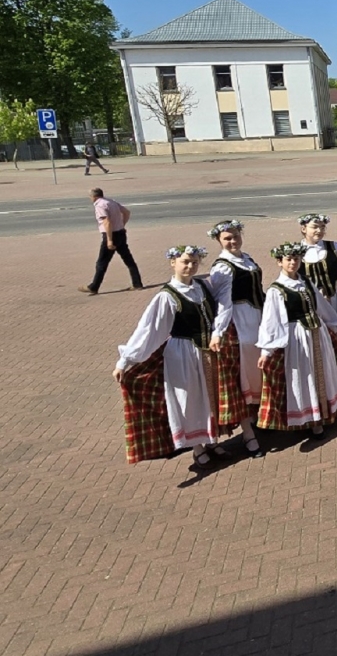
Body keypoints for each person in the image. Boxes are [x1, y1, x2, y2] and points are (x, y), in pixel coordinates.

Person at [114, 245, 225, 473]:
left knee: (208, 396)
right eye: (185, 262)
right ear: (172, 262)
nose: (190, 266)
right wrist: (124, 361)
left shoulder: (201, 287)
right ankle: (197, 448)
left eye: (194, 262)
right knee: (188, 400)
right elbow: (148, 330)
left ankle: (211, 440)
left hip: (204, 353)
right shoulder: (167, 296)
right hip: (181, 354)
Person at [257, 242, 337, 438]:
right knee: (305, 376)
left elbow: (320, 304)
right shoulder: (276, 290)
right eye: (289, 259)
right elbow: (271, 321)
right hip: (297, 338)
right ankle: (312, 420)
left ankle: (326, 410)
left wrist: (332, 324)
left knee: (323, 372)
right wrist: (266, 350)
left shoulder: (305, 281)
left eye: (296, 259)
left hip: (317, 333)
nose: (293, 263)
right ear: (279, 262)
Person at [207, 220, 266, 458]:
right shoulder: (221, 267)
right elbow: (222, 302)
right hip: (239, 323)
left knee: (259, 371)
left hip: (258, 318)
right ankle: (248, 432)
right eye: (227, 239)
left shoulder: (247, 258)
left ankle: (259, 418)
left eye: (235, 236)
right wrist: (218, 332)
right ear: (218, 241)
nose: (233, 241)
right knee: (243, 376)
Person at [297, 213, 337, 395]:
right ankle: (328, 388)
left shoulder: (335, 247)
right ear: (303, 228)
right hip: (313, 306)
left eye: (322, 227)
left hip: (336, 300)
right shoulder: (296, 251)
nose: (319, 231)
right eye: (315, 227)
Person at [80, 188, 144, 295]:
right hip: (120, 233)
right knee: (128, 260)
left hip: (111, 235)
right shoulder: (111, 202)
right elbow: (126, 212)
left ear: (94, 197)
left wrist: (109, 240)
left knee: (102, 262)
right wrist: (122, 225)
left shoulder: (100, 205)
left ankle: (94, 286)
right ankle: (137, 283)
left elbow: (107, 222)